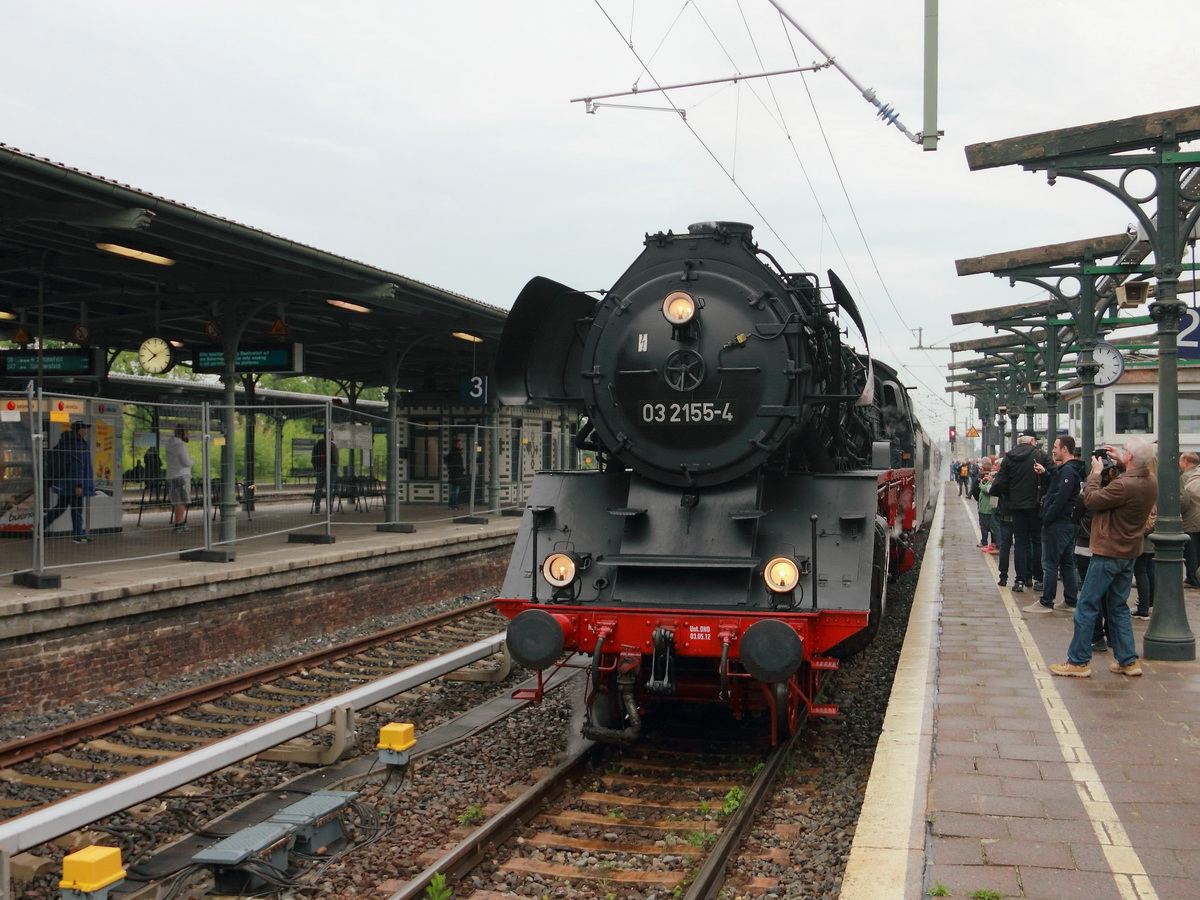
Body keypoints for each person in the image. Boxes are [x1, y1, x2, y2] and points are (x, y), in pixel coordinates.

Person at [1049, 436, 1158, 678]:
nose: (1120, 452)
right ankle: (1128, 660)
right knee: (1118, 606)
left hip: (1108, 551)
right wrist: (1120, 463)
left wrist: (1096, 473)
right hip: (1129, 551)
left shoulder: (1123, 486)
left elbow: (1092, 499)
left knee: (1087, 604)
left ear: (1130, 457)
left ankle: (1078, 661)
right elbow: (1133, 477)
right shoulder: (1150, 482)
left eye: (1124, 451)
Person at [1025, 435, 1085, 613]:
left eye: (1056, 447)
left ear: (1065, 449)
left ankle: (1046, 601)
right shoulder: (1072, 469)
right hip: (1069, 523)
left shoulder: (1067, 471)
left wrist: (1046, 517)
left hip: (1058, 524)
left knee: (1050, 563)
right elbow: (1059, 488)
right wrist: (1046, 474)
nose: (1053, 449)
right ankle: (1070, 600)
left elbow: (1060, 497)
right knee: (1067, 563)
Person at [989, 434, 1040, 593]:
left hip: (1008, 509)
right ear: (1032, 442)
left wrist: (1007, 495)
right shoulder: (1037, 456)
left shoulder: (1008, 459)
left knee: (1006, 545)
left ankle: (1004, 577)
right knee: (1027, 543)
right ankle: (1029, 577)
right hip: (1029, 508)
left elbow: (999, 485)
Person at [43, 421, 95, 543]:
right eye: (85, 428)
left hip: (64, 483)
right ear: (79, 430)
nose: (86, 431)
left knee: (60, 507)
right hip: (74, 485)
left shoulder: (64, 442)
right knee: (77, 510)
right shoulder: (78, 445)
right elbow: (78, 467)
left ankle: (40, 528)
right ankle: (79, 535)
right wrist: (79, 485)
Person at [165, 426, 194, 533]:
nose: (188, 435)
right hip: (181, 476)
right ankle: (179, 524)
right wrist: (192, 462)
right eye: (187, 432)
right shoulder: (180, 446)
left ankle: (178, 523)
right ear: (181, 433)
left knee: (177, 501)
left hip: (172, 475)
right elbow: (186, 462)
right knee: (181, 501)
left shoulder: (170, 444)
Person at [1179, 452, 1200, 588]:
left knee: (1191, 552)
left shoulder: (1185, 477)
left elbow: (1184, 500)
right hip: (1197, 518)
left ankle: (1192, 579)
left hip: (1190, 520)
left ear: (1185, 461)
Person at [311, 436, 339, 513]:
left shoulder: (317, 445)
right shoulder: (332, 446)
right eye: (332, 435)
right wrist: (334, 469)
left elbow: (313, 458)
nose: (333, 436)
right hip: (331, 471)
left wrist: (316, 468)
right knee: (329, 489)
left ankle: (317, 508)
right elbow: (335, 459)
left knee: (319, 488)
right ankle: (329, 509)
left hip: (319, 470)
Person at [445, 438, 467, 510]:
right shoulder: (455, 453)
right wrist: (462, 469)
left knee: (454, 490)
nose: (461, 446)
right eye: (459, 444)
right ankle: (454, 505)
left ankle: (451, 505)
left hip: (454, 474)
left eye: (461, 444)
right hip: (456, 474)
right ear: (456, 445)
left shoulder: (454, 452)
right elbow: (456, 463)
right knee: (455, 490)